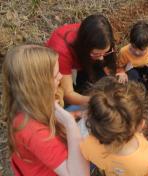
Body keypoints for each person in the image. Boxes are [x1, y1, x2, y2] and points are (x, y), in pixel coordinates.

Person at [2, 45, 89, 176]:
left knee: (80, 110)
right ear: (38, 84)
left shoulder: (26, 102)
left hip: (40, 159)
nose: (60, 76)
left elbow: (49, 119)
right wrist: (71, 124)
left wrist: (76, 114)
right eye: (55, 75)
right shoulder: (33, 131)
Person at [46, 14, 116, 105]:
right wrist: (100, 102)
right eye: (96, 53)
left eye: (105, 52)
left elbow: (108, 67)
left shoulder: (97, 35)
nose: (102, 58)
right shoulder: (61, 52)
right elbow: (68, 95)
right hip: (64, 59)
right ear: (84, 46)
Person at [116, 21, 148, 85]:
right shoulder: (124, 52)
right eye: (133, 47)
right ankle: (139, 87)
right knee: (131, 78)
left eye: (142, 50)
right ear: (131, 42)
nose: (137, 52)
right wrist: (122, 72)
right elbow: (120, 67)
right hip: (132, 69)